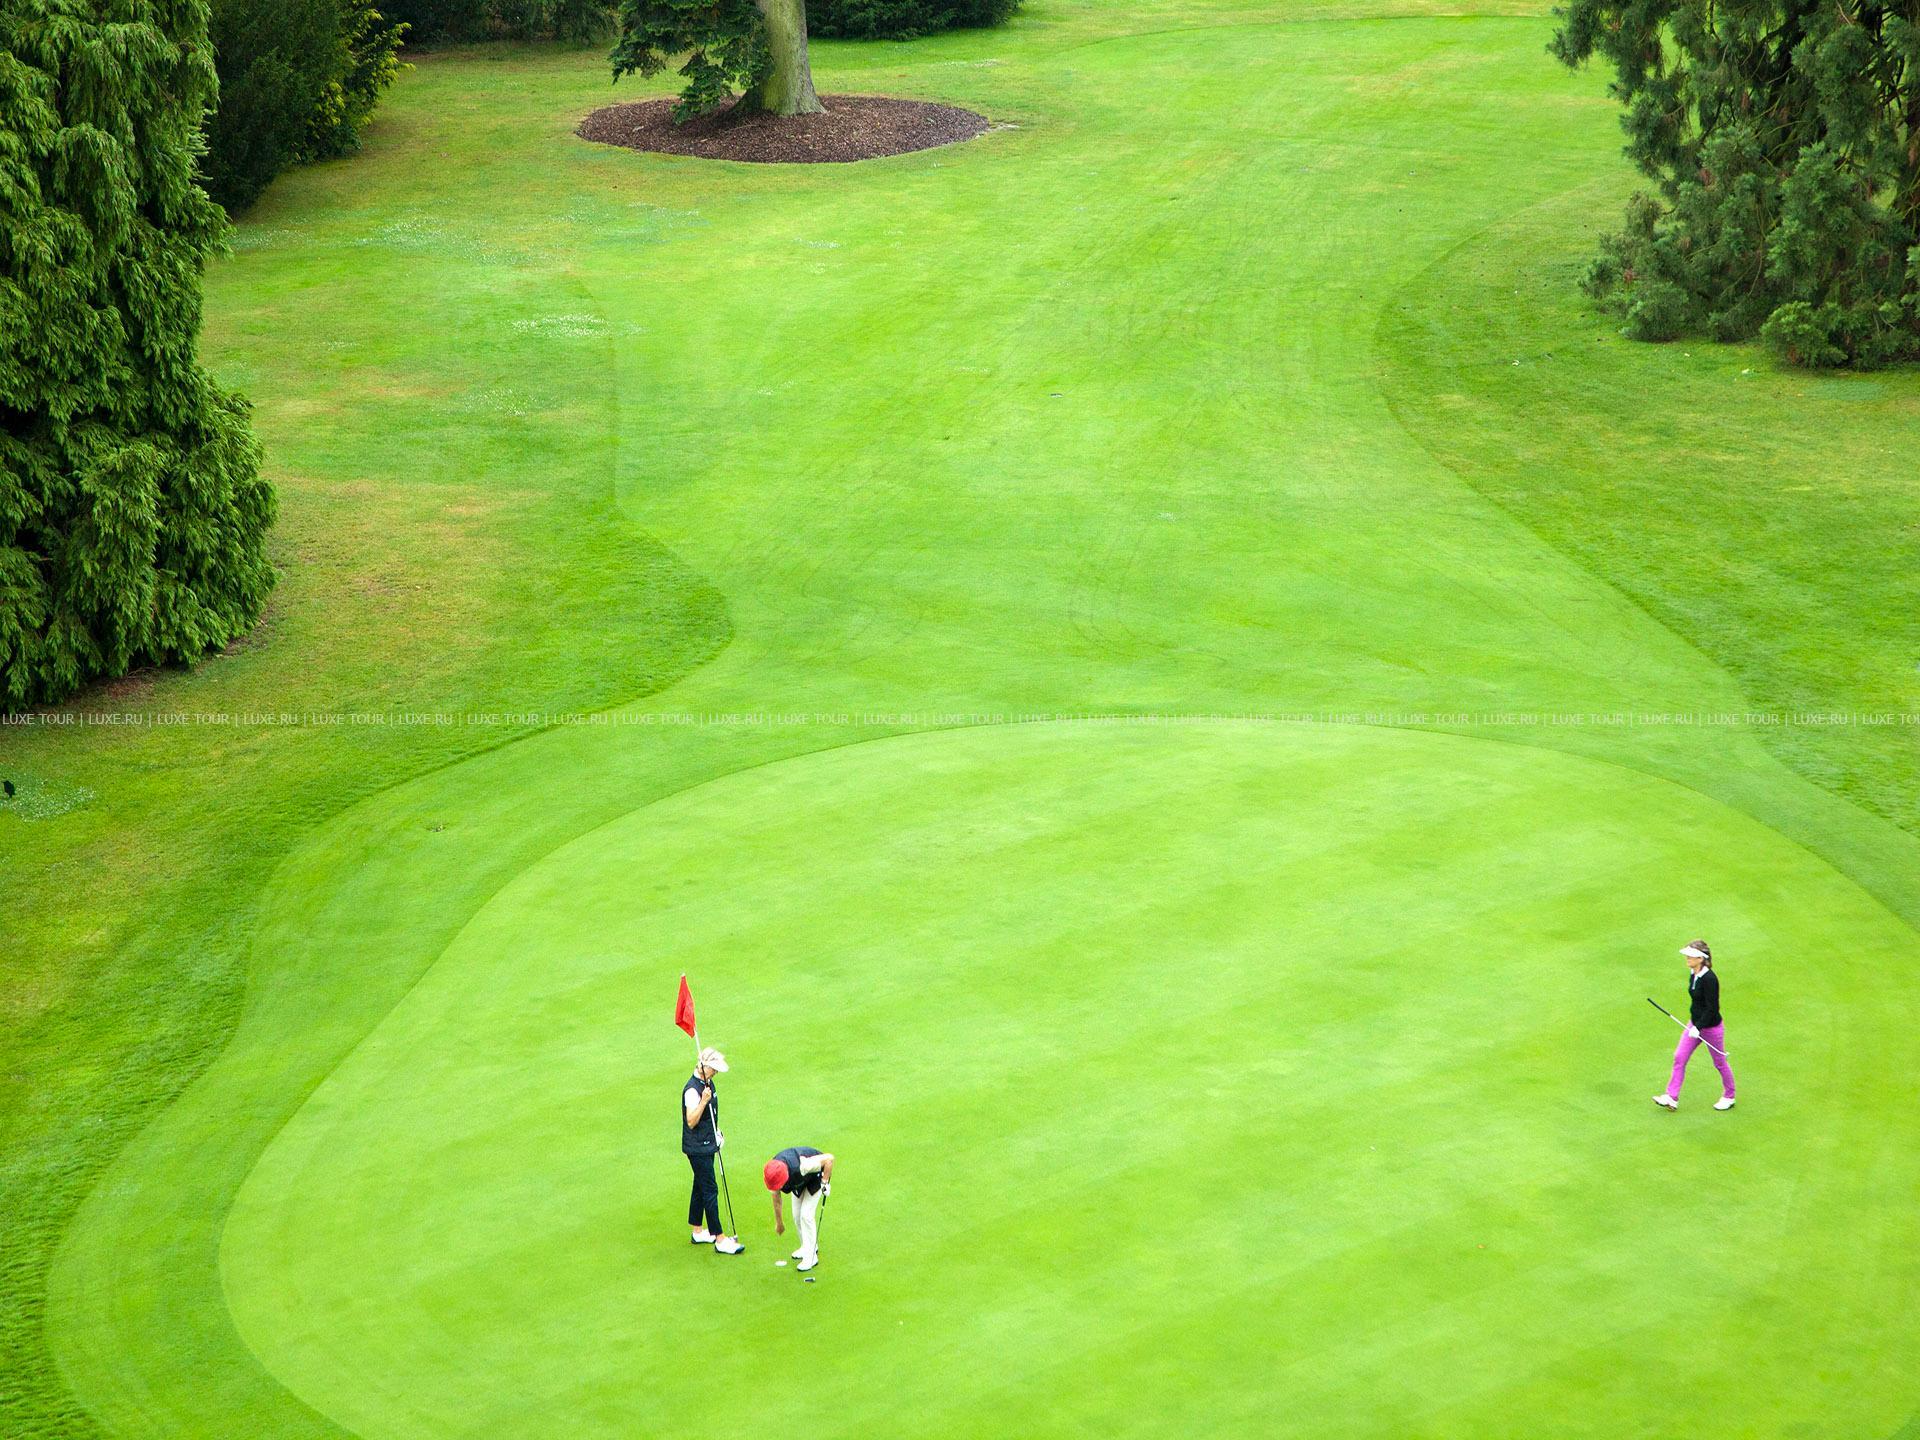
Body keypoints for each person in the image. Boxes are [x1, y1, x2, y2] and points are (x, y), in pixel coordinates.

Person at [1654, 940, 1736, 1112]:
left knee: (1719, 1062)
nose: (1687, 958)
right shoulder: (1693, 973)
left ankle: (1729, 1096)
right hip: (1694, 1025)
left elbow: (1712, 1008)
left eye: (1690, 956)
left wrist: (1699, 1027)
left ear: (1700, 958)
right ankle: (1671, 1097)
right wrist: (1695, 1025)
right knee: (1679, 1057)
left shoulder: (1710, 979)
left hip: (1711, 1029)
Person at [684, 1047, 744, 1253]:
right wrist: (703, 1101)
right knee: (710, 1189)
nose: (716, 1072)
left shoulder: (708, 1083)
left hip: (708, 1142)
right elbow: (691, 1121)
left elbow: (710, 1115)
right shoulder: (693, 1091)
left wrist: (716, 1133)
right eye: (714, 1068)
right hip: (698, 1148)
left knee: (700, 1185)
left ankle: (697, 1231)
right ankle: (720, 1239)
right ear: (703, 1066)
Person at [764, 1146, 834, 1273]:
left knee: (806, 1215)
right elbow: (776, 1198)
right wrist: (779, 1222)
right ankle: (806, 1246)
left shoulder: (803, 1165)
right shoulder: (772, 1172)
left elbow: (829, 1159)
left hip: (815, 1177)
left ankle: (811, 1257)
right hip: (799, 1180)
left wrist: (825, 1183)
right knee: (797, 1215)